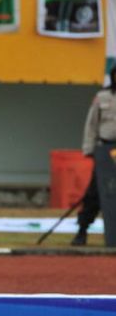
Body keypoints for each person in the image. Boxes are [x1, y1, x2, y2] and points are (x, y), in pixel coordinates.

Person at [73, 66, 116, 246]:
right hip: (105, 150)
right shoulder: (102, 97)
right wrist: (89, 149)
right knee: (96, 192)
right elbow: (91, 125)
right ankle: (82, 230)